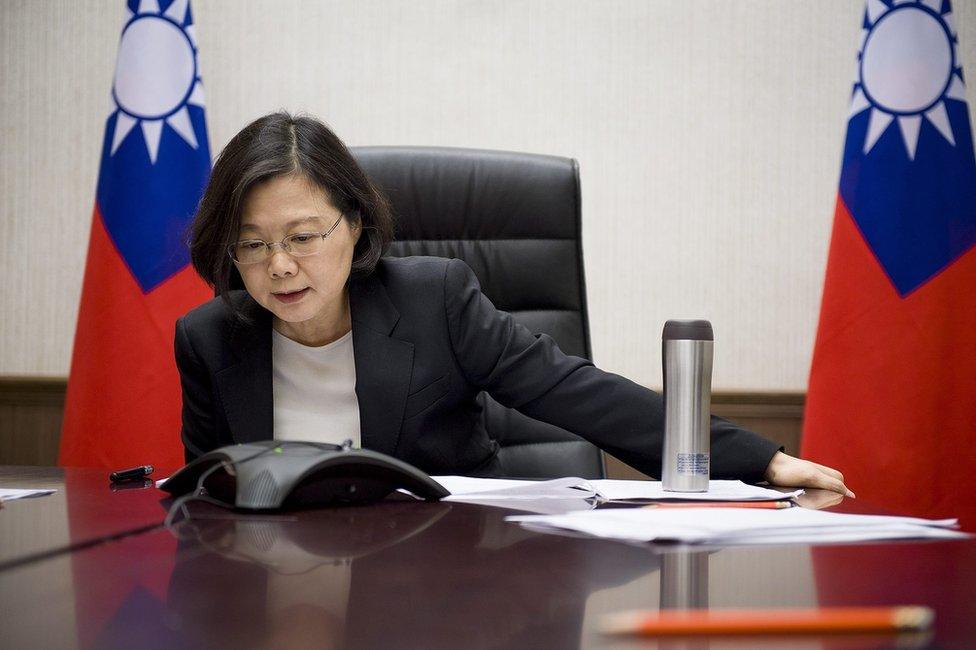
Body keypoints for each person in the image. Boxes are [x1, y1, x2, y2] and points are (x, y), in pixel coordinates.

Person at [176, 111, 853, 497]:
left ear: (353, 225)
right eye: (252, 245)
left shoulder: (433, 299)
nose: (280, 266)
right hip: (278, 591)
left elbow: (573, 391)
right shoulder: (209, 338)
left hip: (449, 576)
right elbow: (210, 495)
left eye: (301, 237)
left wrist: (761, 460)